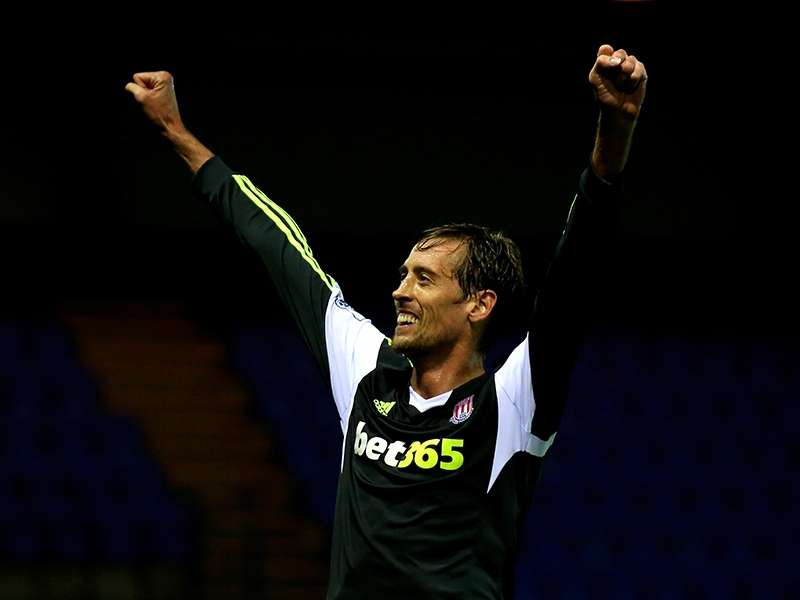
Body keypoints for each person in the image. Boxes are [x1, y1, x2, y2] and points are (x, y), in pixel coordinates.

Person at [126, 44, 647, 599]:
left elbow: (573, 278)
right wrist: (176, 131)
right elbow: (277, 246)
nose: (399, 291)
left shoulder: (513, 402)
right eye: (403, 276)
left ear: (479, 304)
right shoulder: (367, 373)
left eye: (424, 279)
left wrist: (613, 132)